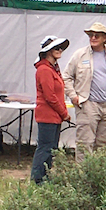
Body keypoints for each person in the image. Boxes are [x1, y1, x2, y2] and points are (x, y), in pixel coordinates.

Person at [63, 22, 106, 163]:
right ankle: (83, 177)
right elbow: (66, 76)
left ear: (104, 39)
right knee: (84, 143)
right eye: (91, 35)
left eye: (97, 35)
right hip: (87, 104)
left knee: (103, 143)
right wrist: (73, 96)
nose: (93, 37)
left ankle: (98, 176)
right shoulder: (80, 55)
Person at [31, 35, 70, 183]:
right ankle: (37, 179)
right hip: (48, 115)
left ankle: (44, 178)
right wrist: (64, 113)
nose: (60, 50)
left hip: (54, 116)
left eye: (61, 48)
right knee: (45, 148)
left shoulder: (51, 69)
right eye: (56, 48)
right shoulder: (44, 70)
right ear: (48, 51)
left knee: (51, 149)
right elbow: (50, 96)